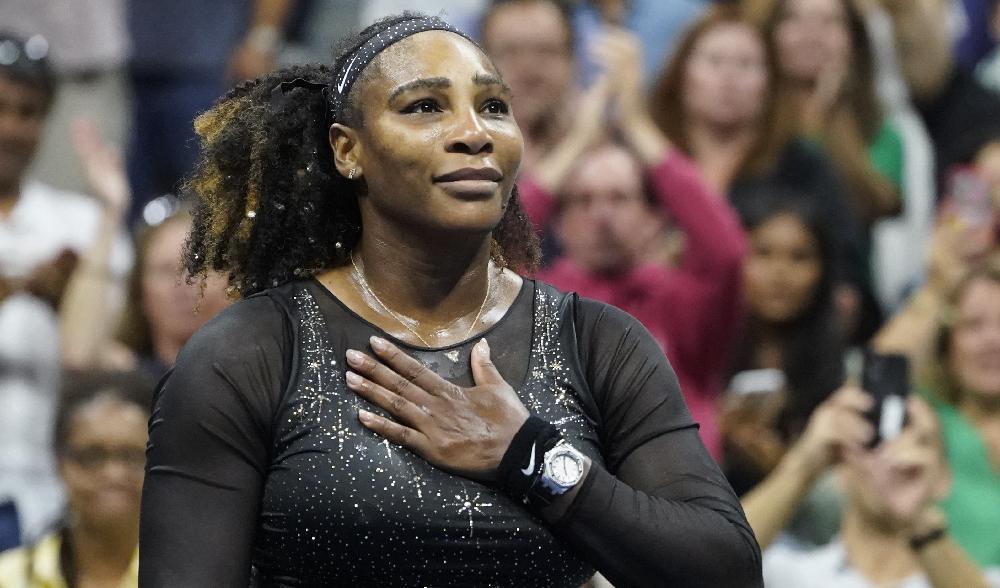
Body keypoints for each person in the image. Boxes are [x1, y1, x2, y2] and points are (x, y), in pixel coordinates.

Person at [138, 13, 762, 586]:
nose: (473, 133)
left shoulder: (599, 343)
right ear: (347, 149)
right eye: (426, 107)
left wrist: (527, 453)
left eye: (493, 106)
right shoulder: (250, 353)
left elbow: (725, 569)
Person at [513, 27, 748, 457]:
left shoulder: (681, 302)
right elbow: (491, 251)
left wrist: (637, 126)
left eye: (620, 198)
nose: (602, 215)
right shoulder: (535, 299)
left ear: (654, 219)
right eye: (583, 200)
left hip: (676, 494)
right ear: (559, 223)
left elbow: (727, 251)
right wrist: (577, 143)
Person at [649, 5, 869, 330]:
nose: (729, 77)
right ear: (681, 74)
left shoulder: (803, 166)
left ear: (769, 82)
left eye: (746, 65)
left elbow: (847, 281)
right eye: (714, 61)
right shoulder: (643, 165)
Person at [745, 385, 1000, 587]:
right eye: (873, 443)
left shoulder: (982, 579)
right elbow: (711, 564)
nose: (892, 459)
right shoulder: (783, 573)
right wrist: (802, 468)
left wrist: (919, 521)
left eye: (919, 443)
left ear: (944, 478)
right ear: (840, 467)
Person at [721, 194, 845, 509]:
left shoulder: (839, 367)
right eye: (762, 254)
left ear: (823, 270)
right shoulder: (699, 352)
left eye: (799, 257)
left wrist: (786, 469)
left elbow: (840, 506)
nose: (780, 273)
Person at [0, 370, 151, 587]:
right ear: (59, 463)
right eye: (91, 456)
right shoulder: (9, 578)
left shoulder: (195, 574)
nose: (113, 473)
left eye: (133, 456)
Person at [761, 0, 904, 226]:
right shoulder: (749, 122)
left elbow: (873, 205)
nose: (811, 33)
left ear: (853, 40)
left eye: (829, 21)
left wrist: (828, 117)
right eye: (794, 18)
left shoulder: (880, 133)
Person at [110, 210, 230, 379]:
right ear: (139, 291)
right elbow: (76, 354)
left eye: (198, 267)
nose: (183, 285)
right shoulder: (122, 380)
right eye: (166, 270)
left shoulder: (266, 379)